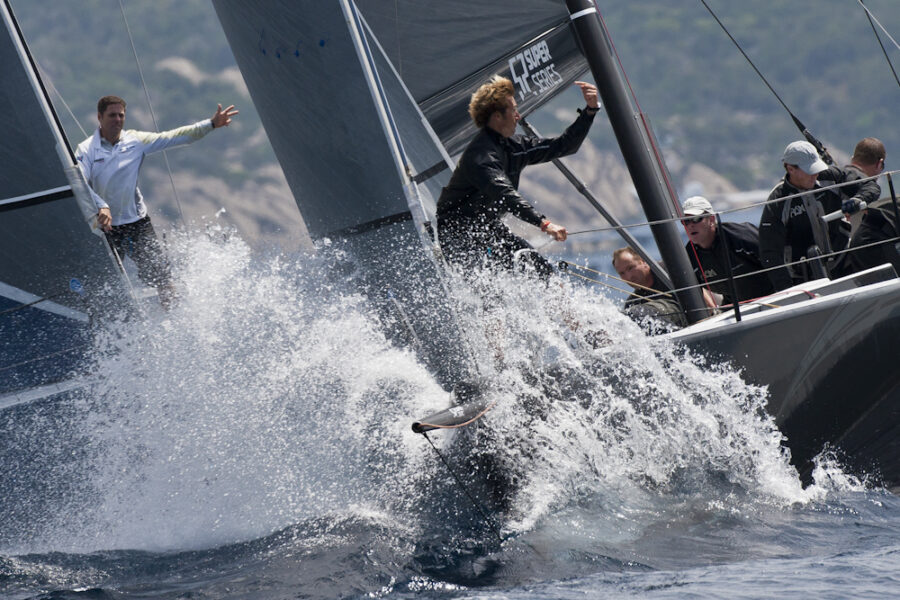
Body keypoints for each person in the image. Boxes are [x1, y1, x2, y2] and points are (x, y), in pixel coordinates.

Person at [75, 95, 239, 308]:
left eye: (121, 115)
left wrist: (211, 124)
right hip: (105, 228)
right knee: (101, 283)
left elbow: (174, 137)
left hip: (137, 223)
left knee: (163, 280)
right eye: (112, 115)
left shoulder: (135, 141)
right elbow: (78, 182)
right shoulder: (86, 149)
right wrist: (101, 205)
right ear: (99, 117)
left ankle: (175, 320)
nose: (117, 120)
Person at [436, 77, 600, 279]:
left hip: (490, 229)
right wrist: (544, 224)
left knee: (546, 276)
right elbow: (505, 195)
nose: (518, 115)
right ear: (497, 116)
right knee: (488, 289)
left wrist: (590, 111)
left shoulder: (515, 146)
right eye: (513, 110)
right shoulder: (481, 157)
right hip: (458, 235)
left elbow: (562, 146)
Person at [758, 140, 879, 291]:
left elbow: (870, 185)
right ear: (790, 169)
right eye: (809, 170)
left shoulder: (830, 177)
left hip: (843, 262)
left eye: (816, 168)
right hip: (805, 279)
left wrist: (858, 199)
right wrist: (787, 290)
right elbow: (769, 252)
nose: (815, 174)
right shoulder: (777, 201)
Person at [681, 196, 774, 306]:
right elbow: (693, 291)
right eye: (686, 221)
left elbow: (776, 257)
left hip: (772, 297)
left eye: (696, 219)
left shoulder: (741, 236)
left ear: (711, 219)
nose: (690, 225)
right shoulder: (689, 257)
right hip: (733, 305)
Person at [832, 138, 893, 275]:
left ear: (853, 158)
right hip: (850, 263)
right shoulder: (869, 189)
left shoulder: (834, 178)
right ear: (879, 163)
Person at [612, 247, 687, 329]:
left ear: (643, 261)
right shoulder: (632, 303)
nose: (629, 277)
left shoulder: (671, 270)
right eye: (622, 273)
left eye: (630, 268)